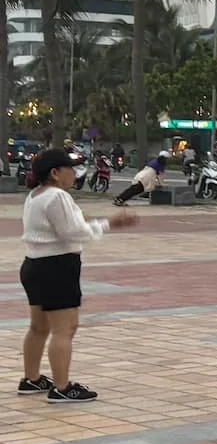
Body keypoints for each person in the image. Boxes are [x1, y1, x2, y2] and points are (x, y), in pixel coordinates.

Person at [18, 148, 138, 403]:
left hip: (33, 265)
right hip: (57, 267)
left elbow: (69, 225)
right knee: (65, 329)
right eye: (70, 169)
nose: (75, 173)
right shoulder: (56, 196)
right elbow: (74, 233)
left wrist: (87, 221)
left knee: (39, 327)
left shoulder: (35, 195)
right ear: (54, 173)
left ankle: (31, 379)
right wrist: (110, 223)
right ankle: (62, 387)